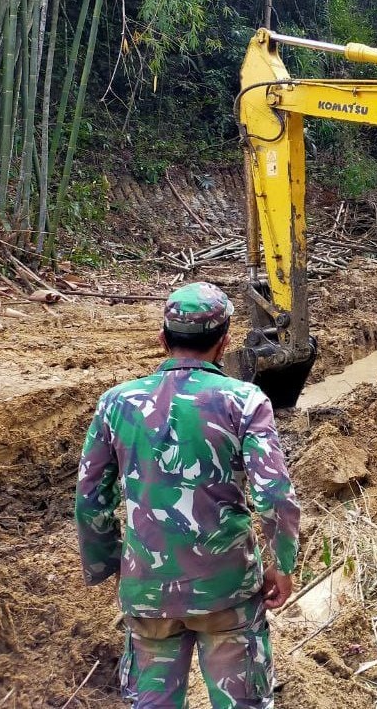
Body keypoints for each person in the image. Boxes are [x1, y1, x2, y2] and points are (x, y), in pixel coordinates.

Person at [75, 282, 301, 708]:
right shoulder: (246, 400)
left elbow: (89, 499)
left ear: (162, 338)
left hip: (148, 589)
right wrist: (283, 565)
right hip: (227, 591)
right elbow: (275, 495)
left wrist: (111, 567)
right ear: (225, 341)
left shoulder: (115, 403)